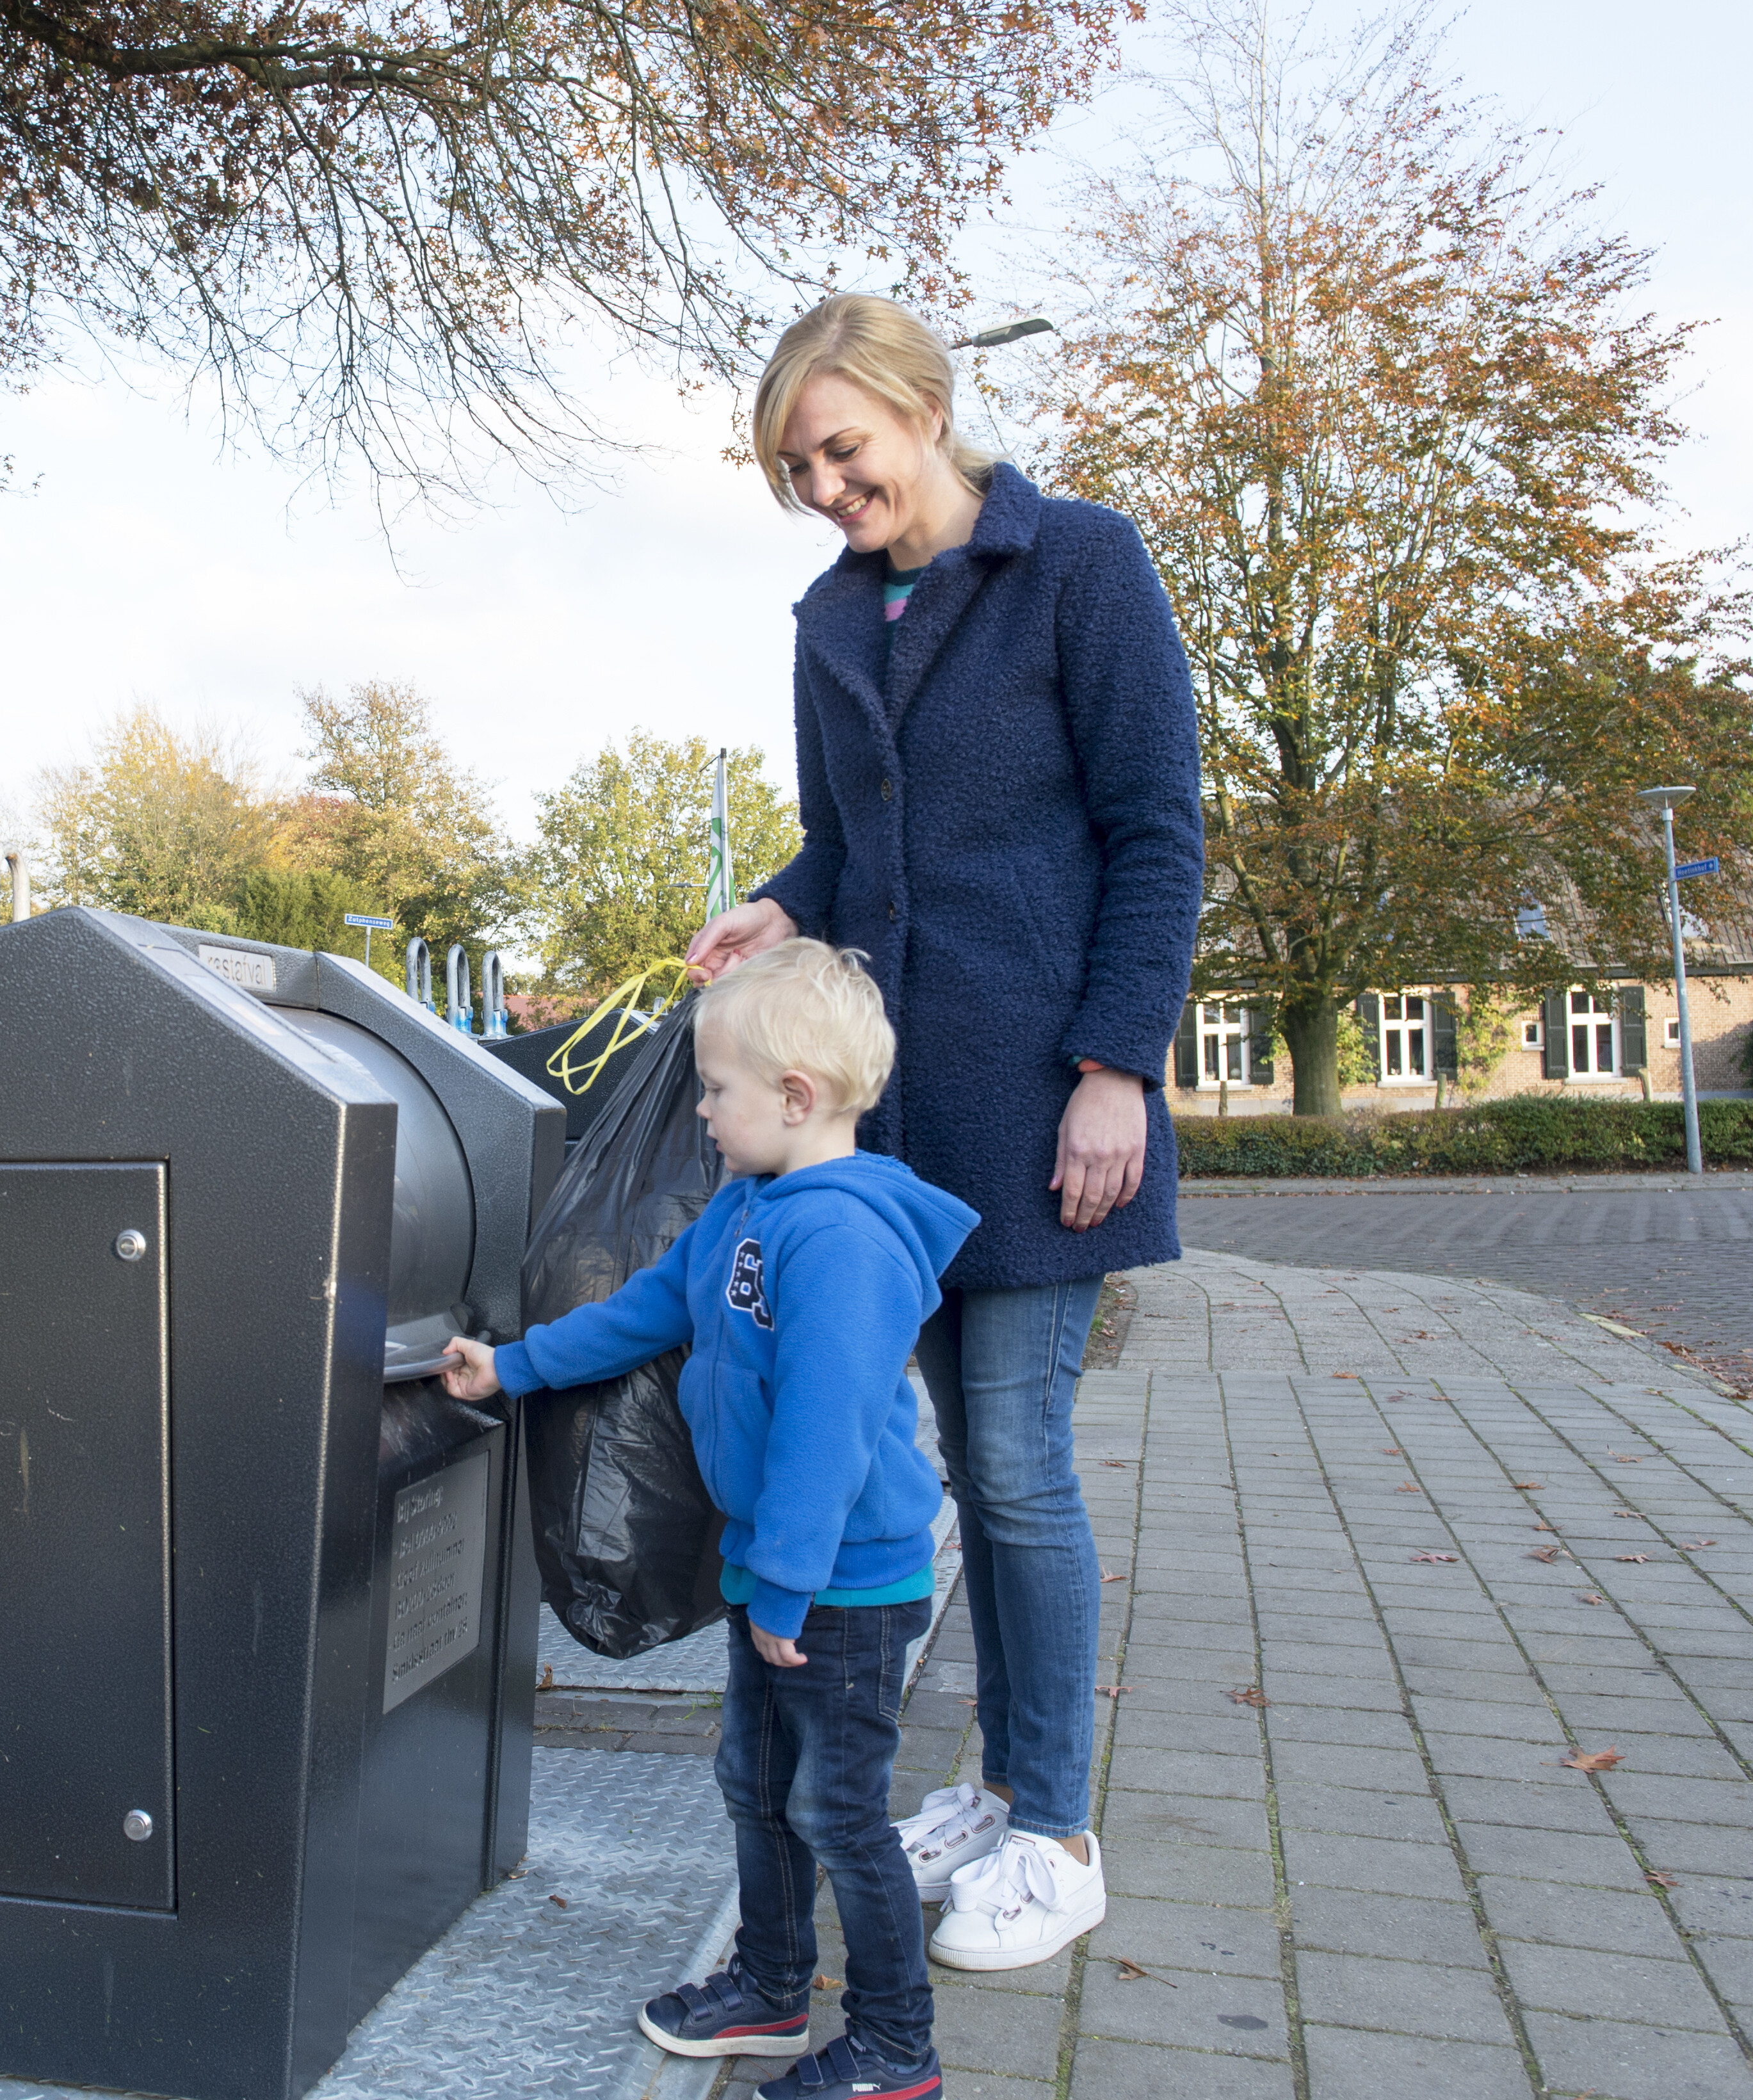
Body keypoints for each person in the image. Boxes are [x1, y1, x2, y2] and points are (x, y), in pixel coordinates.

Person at [685, 293, 1202, 1973]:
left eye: (846, 448)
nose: (829, 486)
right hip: (895, 1131)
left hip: (1051, 1102)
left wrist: (1119, 1062)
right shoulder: (830, 621)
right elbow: (848, 849)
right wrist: (776, 909)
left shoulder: (1082, 567)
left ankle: (1054, 1828)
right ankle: (992, 1785)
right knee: (951, 1475)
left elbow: (1155, 829)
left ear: (923, 408)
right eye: (799, 467)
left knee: (1018, 1464)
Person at [443, 941, 976, 2100]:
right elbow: (642, 1312)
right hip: (774, 1574)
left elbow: (825, 1435)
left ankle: (896, 2047)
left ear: (796, 1097)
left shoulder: (841, 1238)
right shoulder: (747, 1209)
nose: (701, 1106)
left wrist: (784, 1583)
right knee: (756, 1782)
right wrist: (515, 1366)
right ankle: (773, 1985)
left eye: (717, 1088)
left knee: (839, 1810)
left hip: (841, 1581)